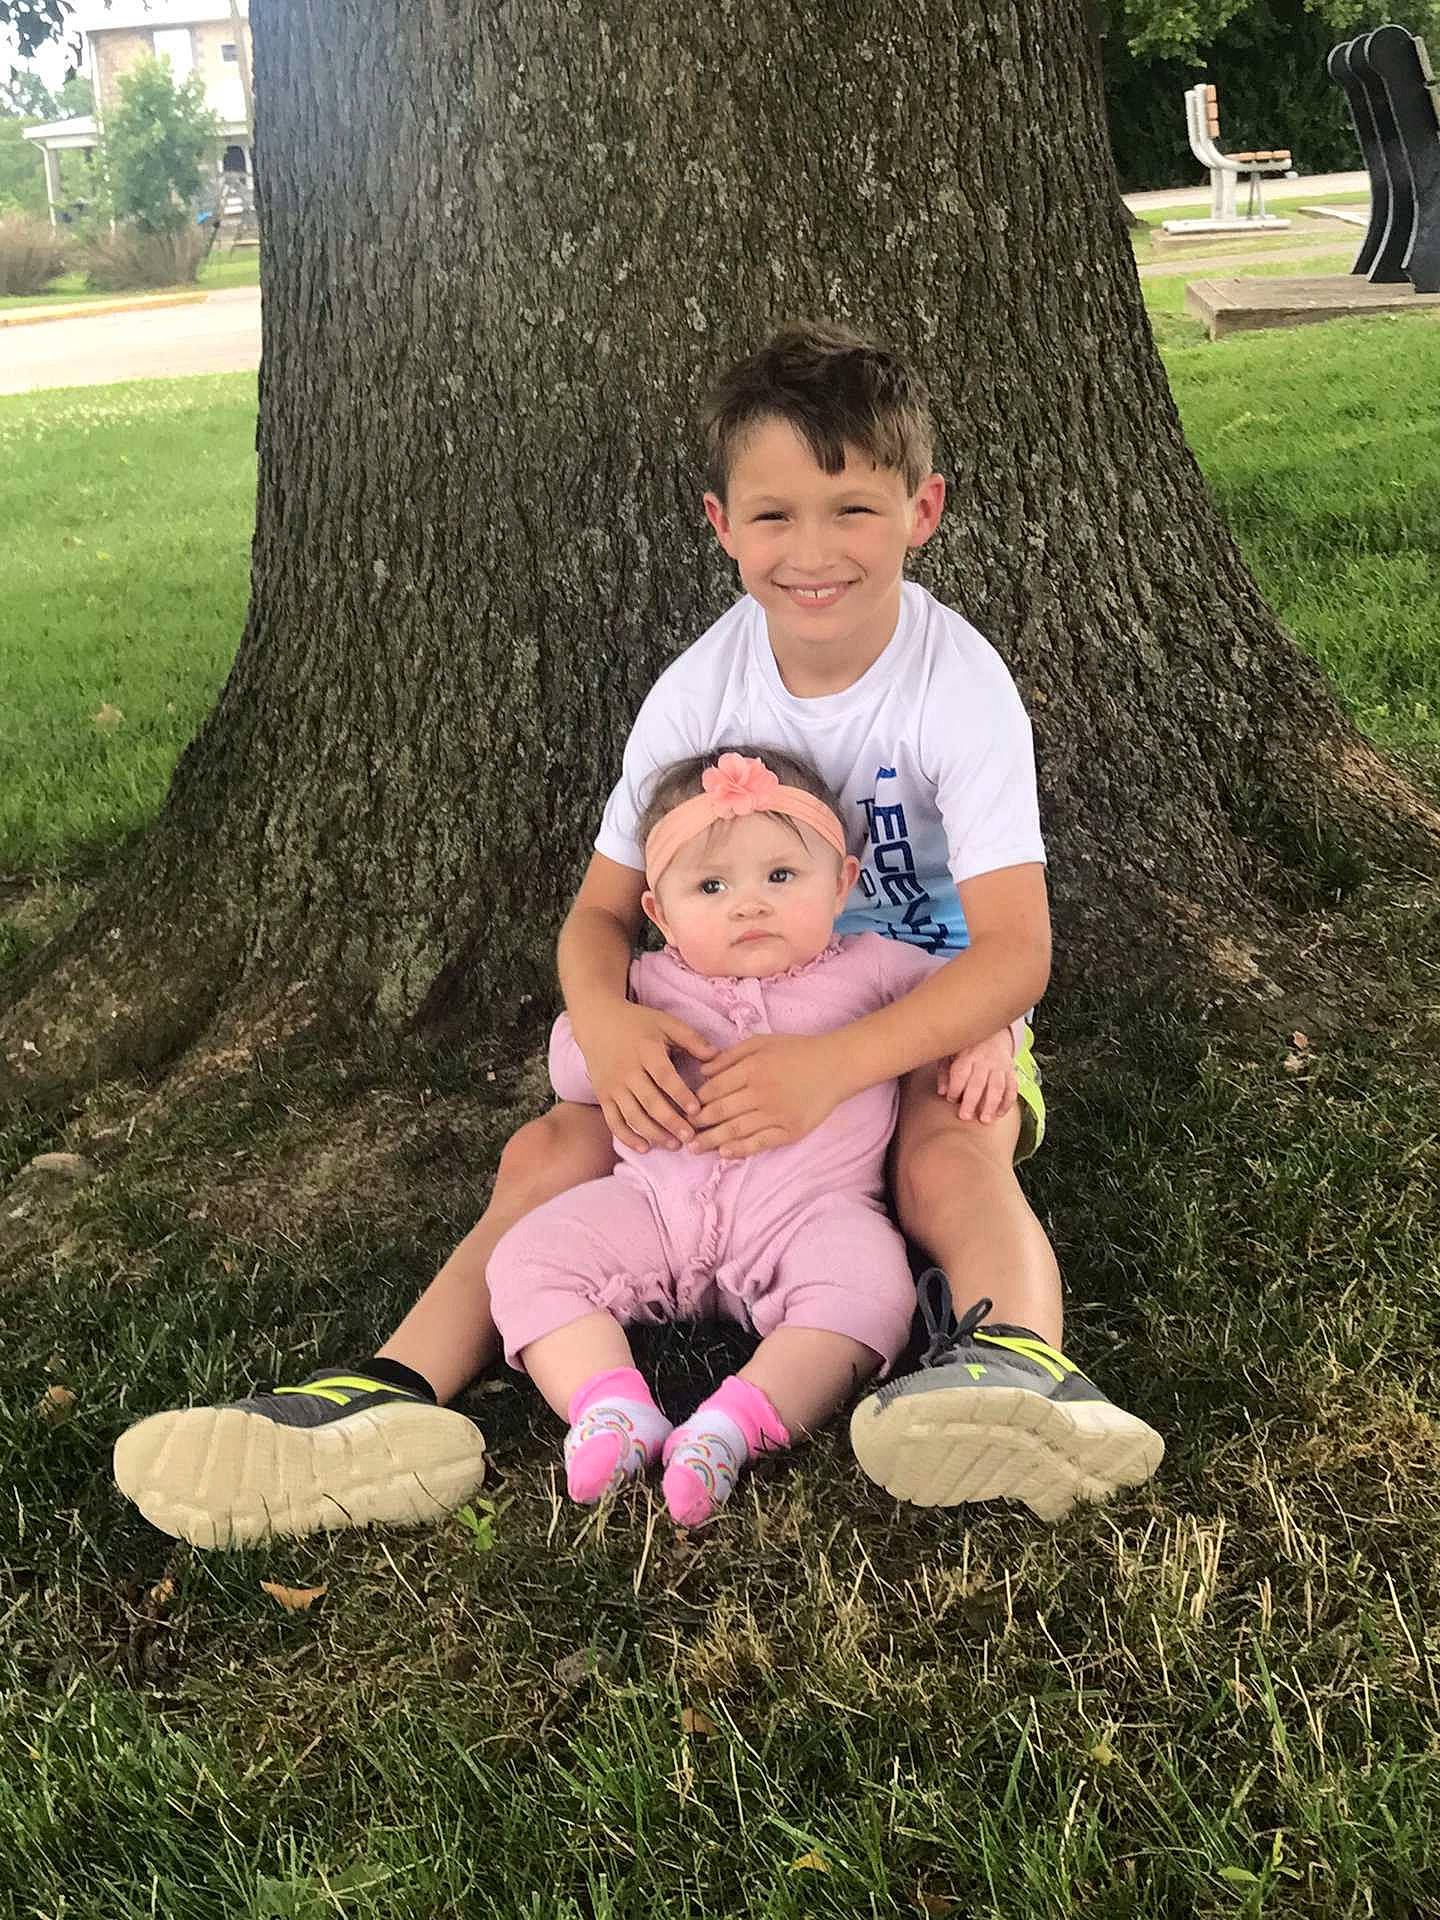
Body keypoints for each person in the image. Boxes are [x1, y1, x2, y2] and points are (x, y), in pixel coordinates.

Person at [113, 319, 1162, 1550]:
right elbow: (601, 916)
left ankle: (1019, 1366)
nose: (813, 551)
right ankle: (383, 1395)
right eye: (773, 516)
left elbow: (1013, 953)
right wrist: (607, 1028)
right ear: (721, 526)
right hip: (720, 1011)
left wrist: (833, 1065)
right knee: (551, 1148)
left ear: (922, 511)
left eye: (852, 511)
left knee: (951, 1146)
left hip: (923, 1006)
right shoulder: (699, 691)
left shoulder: (958, 685)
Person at [487, 746, 1025, 1527]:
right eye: (711, 887)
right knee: (527, 1258)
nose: (750, 906)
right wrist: (611, 1044)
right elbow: (574, 1066)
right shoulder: (641, 988)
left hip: (810, 1214)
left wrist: (990, 1037)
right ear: (660, 915)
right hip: (650, 1207)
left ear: (841, 884)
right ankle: (607, 1407)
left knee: (874, 1291)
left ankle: (732, 1427)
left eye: (781, 876)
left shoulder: (875, 967)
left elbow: (969, 992)